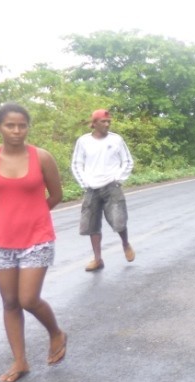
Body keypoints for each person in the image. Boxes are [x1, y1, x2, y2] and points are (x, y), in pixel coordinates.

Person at [0, 103, 68, 382]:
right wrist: (10, 215)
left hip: (36, 238)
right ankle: (20, 361)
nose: (17, 131)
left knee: (28, 299)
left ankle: (56, 332)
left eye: (22, 125)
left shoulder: (41, 157)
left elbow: (56, 195)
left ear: (28, 127)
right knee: (9, 302)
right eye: (10, 125)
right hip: (1, 240)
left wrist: (33, 215)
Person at [71, 109, 136, 272]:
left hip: (111, 187)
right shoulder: (83, 141)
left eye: (109, 122)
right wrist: (84, 182)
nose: (107, 124)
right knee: (92, 225)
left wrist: (118, 179)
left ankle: (125, 244)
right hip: (91, 188)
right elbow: (77, 163)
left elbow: (127, 161)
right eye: (103, 122)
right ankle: (98, 259)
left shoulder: (116, 140)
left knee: (119, 220)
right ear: (94, 124)